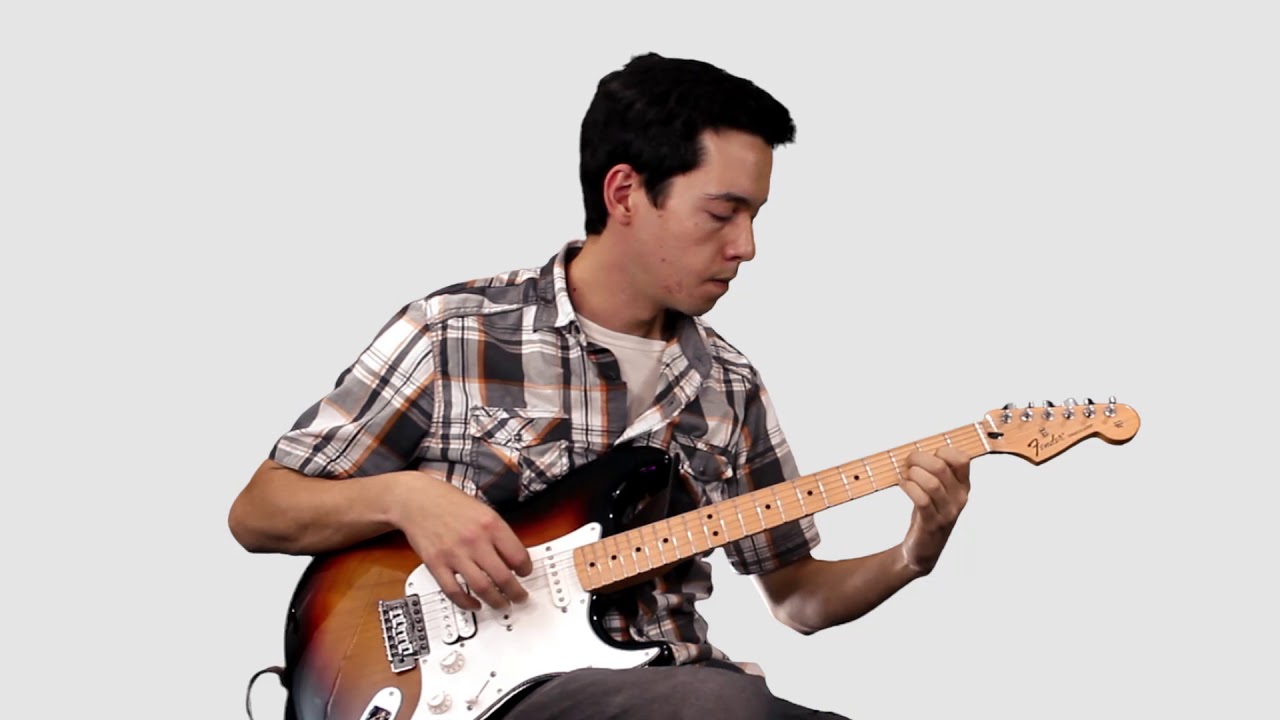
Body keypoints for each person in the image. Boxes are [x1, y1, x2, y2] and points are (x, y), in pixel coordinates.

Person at [229, 51, 971, 720]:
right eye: (723, 213)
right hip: (492, 698)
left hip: (673, 685)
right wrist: (405, 498)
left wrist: (913, 554)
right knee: (722, 706)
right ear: (624, 193)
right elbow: (259, 512)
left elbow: (798, 598)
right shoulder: (456, 333)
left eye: (755, 216)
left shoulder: (731, 385)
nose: (746, 246)